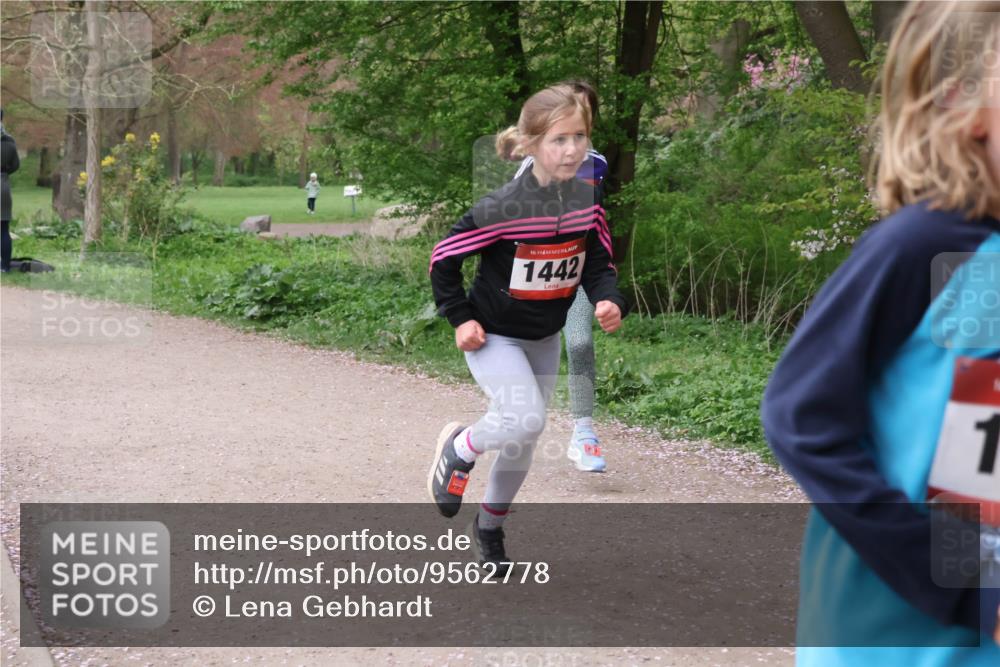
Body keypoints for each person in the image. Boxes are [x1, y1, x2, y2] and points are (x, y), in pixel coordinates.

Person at [761, 2, 1000, 665]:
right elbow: (801, 417)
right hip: (891, 642)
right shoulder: (924, 247)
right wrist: (967, 586)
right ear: (971, 109)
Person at [428, 85, 627, 571]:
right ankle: (460, 447)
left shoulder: (588, 199)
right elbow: (443, 259)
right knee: (528, 418)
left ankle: (489, 529)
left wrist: (608, 297)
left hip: (544, 336)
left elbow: (598, 261)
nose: (572, 150)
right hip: (493, 335)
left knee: (522, 439)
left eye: (580, 137)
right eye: (559, 139)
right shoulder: (505, 207)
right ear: (532, 144)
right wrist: (460, 318)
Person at [511, 80, 610, 473]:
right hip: (536, 269)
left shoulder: (597, 164)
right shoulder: (531, 162)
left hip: (578, 268)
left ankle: (584, 432)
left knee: (580, 339)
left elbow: (595, 221)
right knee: (523, 346)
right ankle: (508, 420)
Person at [1, 109, 19, 273]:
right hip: (3, 186)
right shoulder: (9, 140)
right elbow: (15, 165)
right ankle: (5, 267)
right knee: (3, 230)